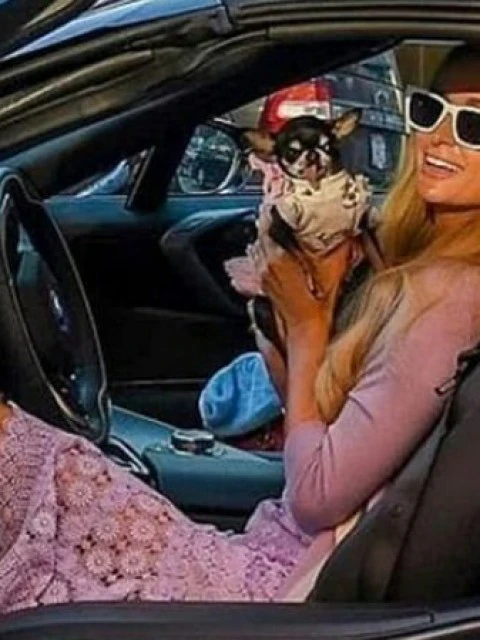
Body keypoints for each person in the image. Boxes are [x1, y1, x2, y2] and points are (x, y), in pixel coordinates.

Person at [2, 44, 480, 613]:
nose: (441, 137)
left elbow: (316, 497)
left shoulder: (451, 295)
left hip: (289, 592)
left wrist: (307, 325)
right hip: (284, 549)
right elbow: (327, 420)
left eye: (473, 125)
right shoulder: (415, 261)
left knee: (28, 452)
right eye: (429, 110)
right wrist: (299, 312)